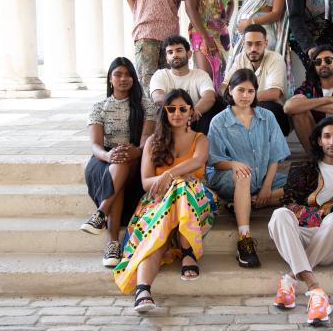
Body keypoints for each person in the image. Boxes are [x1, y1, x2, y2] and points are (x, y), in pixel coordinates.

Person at [113, 89, 215, 312]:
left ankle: (186, 253)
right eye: (171, 109)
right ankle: (143, 290)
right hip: (157, 203)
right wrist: (169, 180)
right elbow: (147, 184)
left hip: (196, 202)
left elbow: (198, 161)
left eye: (182, 109)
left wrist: (169, 174)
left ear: (191, 112)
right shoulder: (153, 142)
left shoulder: (200, 139)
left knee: (181, 186)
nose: (177, 113)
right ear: (165, 112)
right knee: (157, 229)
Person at [268, 116, 333, 326]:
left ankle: (291, 279)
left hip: (330, 242)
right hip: (298, 237)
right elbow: (289, 204)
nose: (332, 142)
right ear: (319, 141)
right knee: (279, 215)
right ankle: (315, 289)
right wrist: (320, 216)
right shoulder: (303, 169)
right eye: (327, 136)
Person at [206, 68, 290, 268]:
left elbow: (276, 155)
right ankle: (244, 240)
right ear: (230, 91)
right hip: (227, 176)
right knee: (243, 176)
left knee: (300, 180)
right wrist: (233, 164)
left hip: (261, 177)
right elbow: (214, 160)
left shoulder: (267, 117)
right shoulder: (219, 121)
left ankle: (249, 201)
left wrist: (267, 187)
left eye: (250, 91)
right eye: (240, 90)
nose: (245, 96)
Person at [81, 57, 157, 268]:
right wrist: (109, 156)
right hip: (102, 160)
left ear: (134, 78)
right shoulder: (99, 107)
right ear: (110, 79)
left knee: (123, 162)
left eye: (128, 74)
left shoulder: (146, 105)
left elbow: (145, 142)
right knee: (118, 169)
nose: (124, 79)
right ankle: (112, 242)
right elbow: (95, 145)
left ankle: (104, 220)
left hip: (135, 157)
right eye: (118, 74)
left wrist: (135, 151)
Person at [284, 45, 333, 155]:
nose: (323, 64)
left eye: (328, 60)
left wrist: (308, 104)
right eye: (318, 62)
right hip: (317, 141)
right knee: (299, 114)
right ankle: (315, 159)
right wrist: (330, 99)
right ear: (315, 66)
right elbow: (288, 107)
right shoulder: (309, 86)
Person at [220, 24, 290, 136]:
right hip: (243, 106)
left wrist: (241, 98)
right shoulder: (240, 58)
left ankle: (265, 150)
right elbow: (224, 86)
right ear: (244, 44)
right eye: (249, 44)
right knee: (218, 103)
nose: (253, 49)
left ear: (265, 44)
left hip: (272, 111)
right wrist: (234, 99)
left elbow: (274, 94)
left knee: (268, 107)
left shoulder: (275, 59)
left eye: (258, 44)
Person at [150, 36, 226, 135]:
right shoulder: (161, 74)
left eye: (179, 50)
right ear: (166, 58)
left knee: (214, 108)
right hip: (172, 119)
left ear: (189, 54)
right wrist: (182, 111)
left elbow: (209, 97)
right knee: (162, 110)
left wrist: (195, 110)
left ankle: (203, 146)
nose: (174, 55)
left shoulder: (200, 74)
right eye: (170, 52)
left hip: (195, 119)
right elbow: (158, 97)